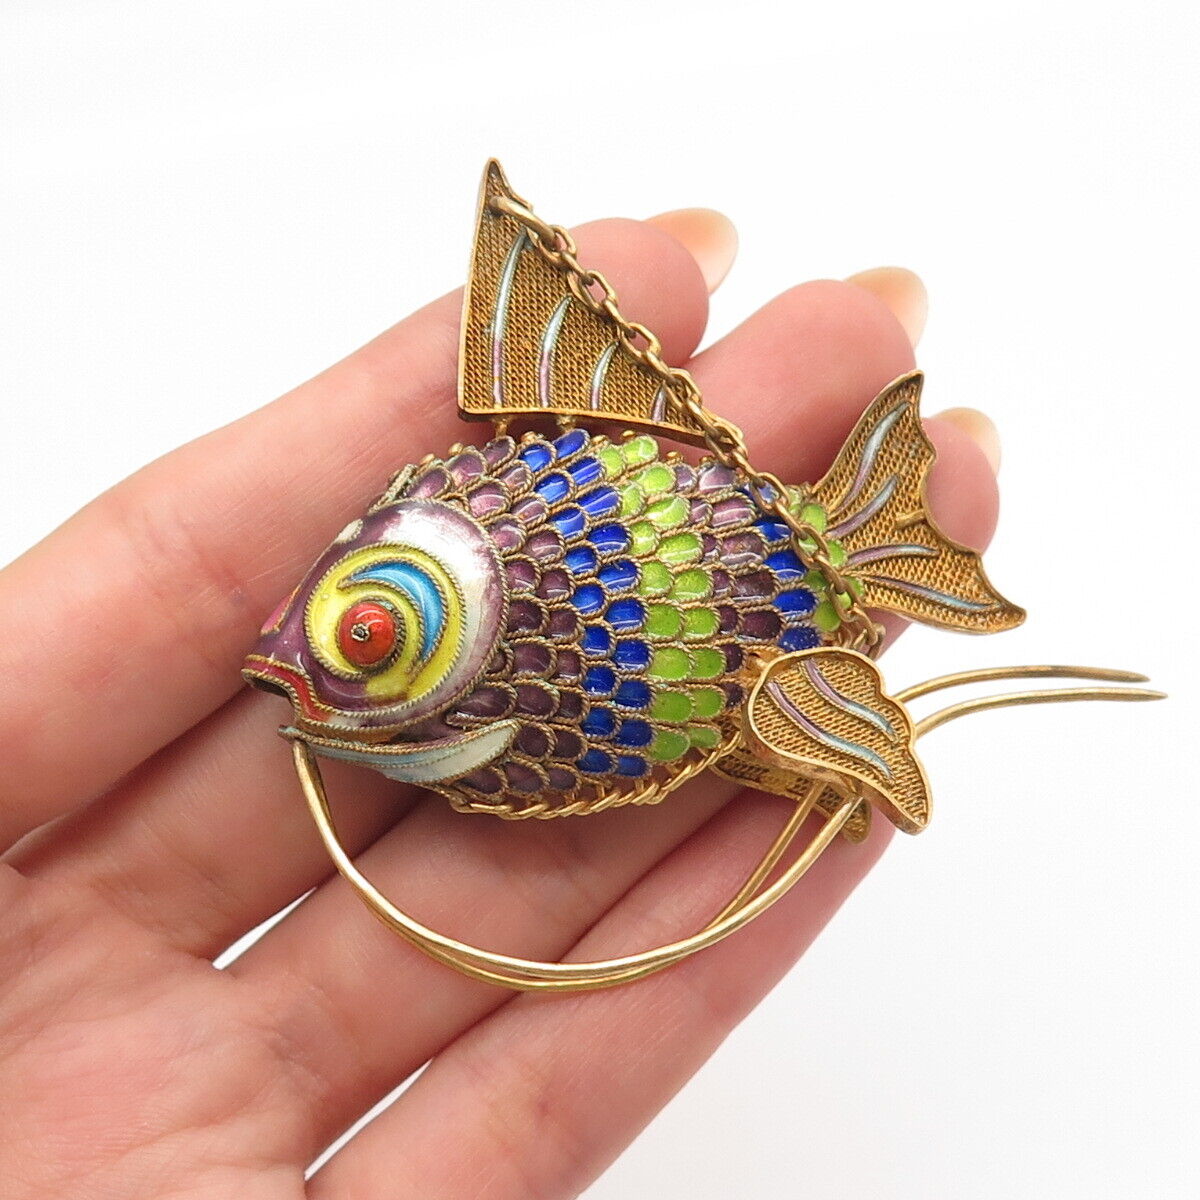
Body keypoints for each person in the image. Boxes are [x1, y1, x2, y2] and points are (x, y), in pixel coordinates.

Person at [0, 207, 998, 1198]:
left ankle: (867, 561)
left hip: (723, 636)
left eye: (358, 634)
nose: (292, 663)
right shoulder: (419, 689)